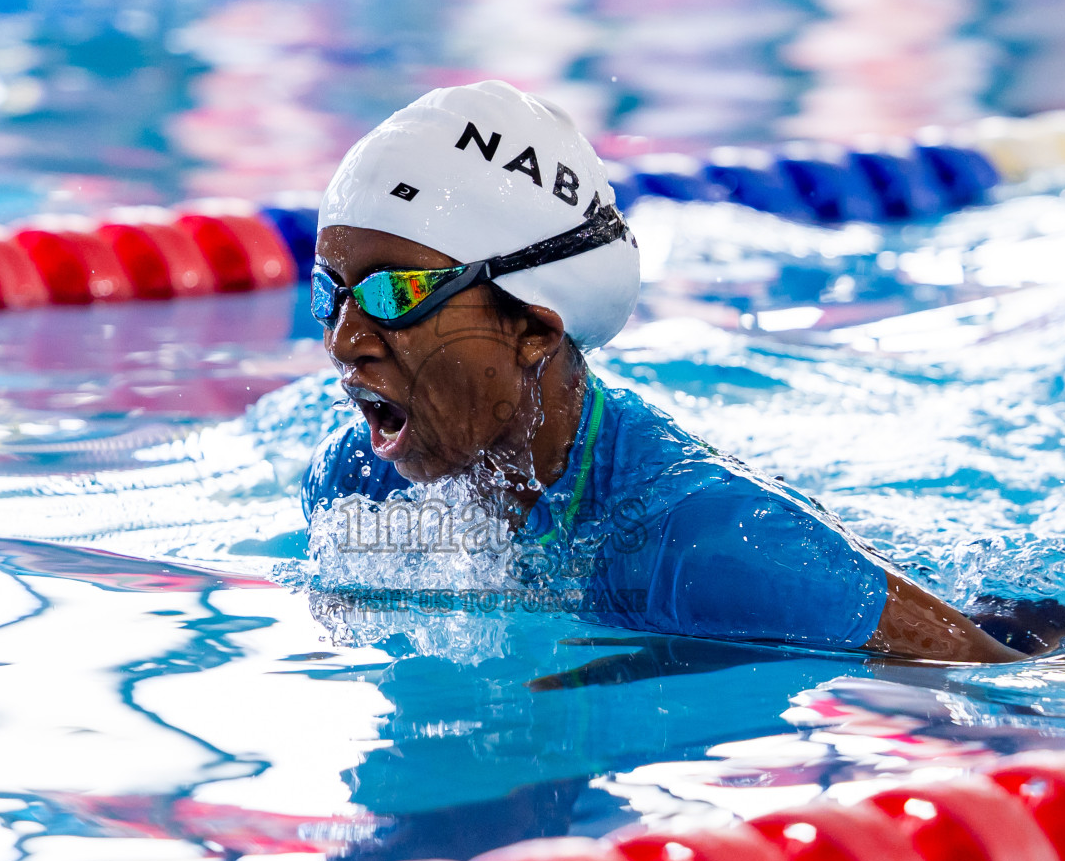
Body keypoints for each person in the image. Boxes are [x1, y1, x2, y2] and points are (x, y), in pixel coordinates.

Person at [301, 80, 1026, 663]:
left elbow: (998, 674)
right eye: (330, 293)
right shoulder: (356, 485)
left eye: (395, 294)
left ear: (530, 329)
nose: (344, 341)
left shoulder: (708, 543)